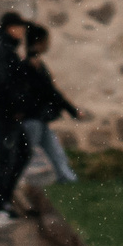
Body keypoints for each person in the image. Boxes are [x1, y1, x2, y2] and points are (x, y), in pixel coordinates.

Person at [0, 12, 33, 225]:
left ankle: (3, 200)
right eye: (20, 27)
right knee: (7, 157)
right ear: (11, 27)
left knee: (20, 152)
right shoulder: (2, 51)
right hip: (6, 114)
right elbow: (2, 83)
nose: (23, 32)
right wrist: (16, 105)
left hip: (7, 113)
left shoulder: (7, 49)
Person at [18, 25, 84, 185]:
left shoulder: (38, 65)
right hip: (32, 119)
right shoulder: (29, 66)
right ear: (38, 43)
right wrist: (72, 110)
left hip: (39, 118)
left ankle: (67, 178)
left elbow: (52, 92)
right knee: (26, 154)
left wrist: (72, 110)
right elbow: (50, 92)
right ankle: (13, 182)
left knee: (55, 151)